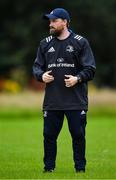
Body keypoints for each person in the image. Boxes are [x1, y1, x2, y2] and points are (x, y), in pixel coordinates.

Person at [33, 8, 96, 173]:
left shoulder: (80, 42)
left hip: (75, 101)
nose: (51, 24)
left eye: (54, 21)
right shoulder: (45, 43)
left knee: (78, 136)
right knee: (49, 136)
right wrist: (41, 76)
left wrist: (78, 78)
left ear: (65, 22)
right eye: (50, 21)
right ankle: (48, 169)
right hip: (52, 101)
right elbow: (36, 67)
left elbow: (90, 68)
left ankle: (80, 170)